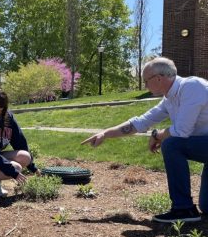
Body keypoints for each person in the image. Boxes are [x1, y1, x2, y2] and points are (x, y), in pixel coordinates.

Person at [82, 57, 208, 223]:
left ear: (158, 78)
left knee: (172, 144)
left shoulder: (192, 87)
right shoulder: (169, 99)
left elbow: (181, 131)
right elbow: (140, 122)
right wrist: (105, 133)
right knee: (206, 207)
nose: (145, 86)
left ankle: (183, 209)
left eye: (146, 81)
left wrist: (157, 136)